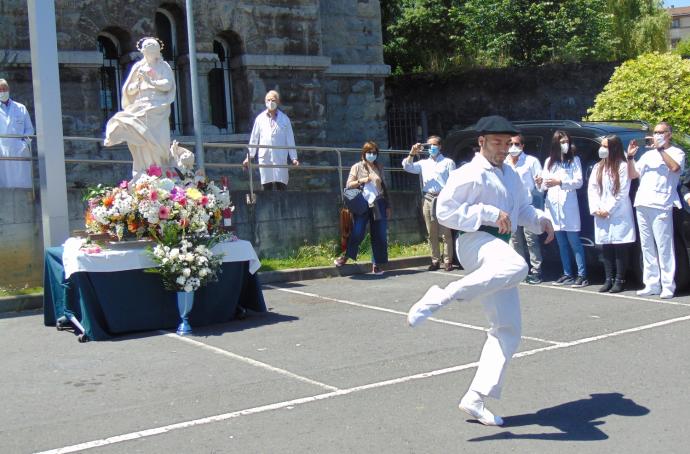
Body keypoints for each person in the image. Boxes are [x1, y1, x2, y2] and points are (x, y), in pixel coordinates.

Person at [406, 116, 554, 426]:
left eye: (508, 143)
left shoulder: (512, 174)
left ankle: (475, 398)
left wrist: (540, 220)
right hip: (474, 242)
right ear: (482, 142)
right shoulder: (469, 173)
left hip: (498, 250)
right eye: (497, 143)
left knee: (508, 330)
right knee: (518, 265)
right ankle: (442, 296)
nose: (504, 148)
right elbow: (444, 210)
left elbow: (522, 210)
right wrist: (487, 213)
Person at [627, 122, 684, 298]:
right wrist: (630, 158)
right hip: (643, 202)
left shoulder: (677, 152)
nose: (658, 135)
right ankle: (652, 283)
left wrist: (660, 150)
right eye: (656, 132)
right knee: (647, 246)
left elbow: (675, 168)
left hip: (662, 204)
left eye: (661, 132)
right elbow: (633, 175)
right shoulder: (647, 155)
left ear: (669, 134)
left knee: (664, 247)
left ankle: (668, 285)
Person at [104, 37, 176, 178]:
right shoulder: (138, 67)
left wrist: (151, 80)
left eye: (153, 50)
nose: (150, 53)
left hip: (157, 106)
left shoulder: (163, 66)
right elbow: (129, 89)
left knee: (157, 141)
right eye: (147, 50)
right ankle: (143, 170)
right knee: (137, 134)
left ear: (157, 51)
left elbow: (167, 85)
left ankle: (159, 171)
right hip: (140, 105)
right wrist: (136, 85)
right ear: (143, 51)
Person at [538, 130, 588, 287]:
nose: (565, 145)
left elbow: (579, 182)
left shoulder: (574, 160)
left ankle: (582, 275)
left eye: (567, 141)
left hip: (569, 206)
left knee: (574, 242)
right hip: (554, 207)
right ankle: (567, 274)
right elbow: (543, 185)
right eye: (562, 142)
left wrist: (560, 182)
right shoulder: (549, 162)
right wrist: (540, 181)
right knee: (561, 243)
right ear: (555, 144)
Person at [587, 135, 635, 293]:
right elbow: (592, 189)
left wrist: (608, 209)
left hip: (618, 212)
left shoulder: (622, 166)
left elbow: (622, 192)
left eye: (606, 146)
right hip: (601, 212)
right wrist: (596, 209)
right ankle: (608, 278)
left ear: (614, 148)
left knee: (619, 246)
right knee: (606, 246)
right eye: (601, 145)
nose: (602, 149)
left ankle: (620, 279)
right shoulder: (598, 167)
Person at [334, 141, 390, 275]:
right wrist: (363, 180)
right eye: (369, 152)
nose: (372, 155)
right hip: (362, 203)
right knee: (358, 232)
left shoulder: (379, 167)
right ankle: (346, 257)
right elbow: (349, 185)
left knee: (380, 234)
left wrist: (388, 205)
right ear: (364, 154)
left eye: (374, 153)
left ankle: (376, 264)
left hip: (379, 202)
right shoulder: (357, 167)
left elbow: (384, 187)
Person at [403, 135, 456, 271]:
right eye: (429, 146)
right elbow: (407, 167)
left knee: (446, 232)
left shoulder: (448, 162)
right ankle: (435, 260)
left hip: (443, 198)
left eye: (434, 145)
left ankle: (448, 260)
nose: (431, 148)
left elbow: (454, 181)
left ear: (440, 147)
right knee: (431, 231)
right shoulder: (423, 163)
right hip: (428, 198)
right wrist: (412, 153)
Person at [506, 134, 544, 284]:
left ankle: (536, 271)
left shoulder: (531, 161)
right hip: (511, 206)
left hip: (528, 204)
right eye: (510, 144)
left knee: (531, 239)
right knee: (515, 240)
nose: (513, 147)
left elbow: (540, 185)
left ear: (522, 146)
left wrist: (540, 183)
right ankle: (521, 269)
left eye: (516, 144)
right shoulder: (505, 161)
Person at [244, 90, 299, 190]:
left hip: (280, 157)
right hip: (265, 157)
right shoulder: (260, 119)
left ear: (278, 102)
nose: (270, 102)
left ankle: (282, 205)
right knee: (266, 186)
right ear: (265, 102)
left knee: (281, 186)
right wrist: (249, 157)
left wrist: (294, 158)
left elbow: (290, 139)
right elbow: (254, 138)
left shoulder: (284, 119)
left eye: (273, 100)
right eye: (268, 100)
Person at [0, 78, 34, 188]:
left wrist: (24, 144)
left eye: (4, 89)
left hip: (19, 150)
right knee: (4, 183)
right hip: (2, 150)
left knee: (22, 184)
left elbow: (29, 129)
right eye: (0, 90)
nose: (2, 92)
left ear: (9, 90)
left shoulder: (21, 108)